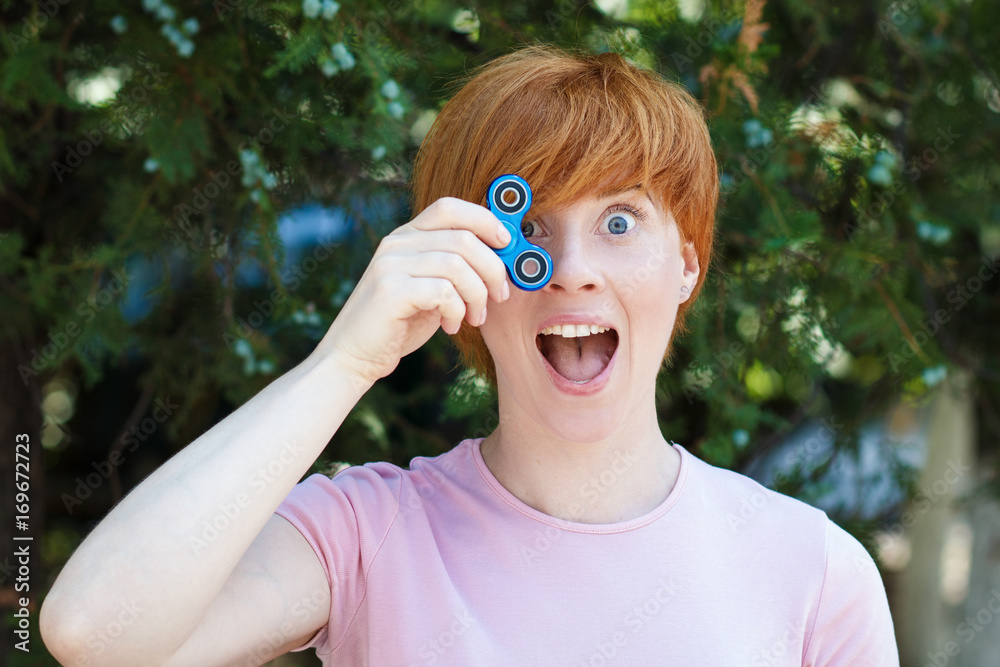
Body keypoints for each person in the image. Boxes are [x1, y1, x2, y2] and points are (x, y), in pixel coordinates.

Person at [39, 44, 899, 666]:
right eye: (530, 226)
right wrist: (343, 361)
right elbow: (95, 633)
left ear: (687, 265)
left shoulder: (812, 571)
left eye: (619, 221)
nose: (571, 273)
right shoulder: (369, 535)